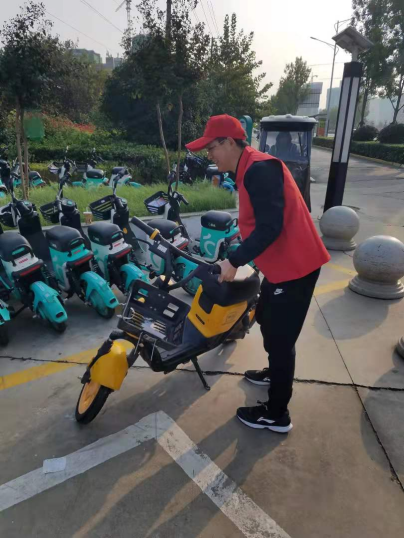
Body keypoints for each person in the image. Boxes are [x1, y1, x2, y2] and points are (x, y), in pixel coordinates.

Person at [186, 114, 330, 434]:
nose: (209, 155)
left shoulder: (259, 169)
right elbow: (262, 219)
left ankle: (277, 413)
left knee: (280, 339)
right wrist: (242, 241)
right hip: (282, 265)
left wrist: (234, 261)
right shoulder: (250, 166)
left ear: (228, 142)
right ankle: (274, 373)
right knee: (264, 316)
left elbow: (270, 226)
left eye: (211, 148)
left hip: (296, 266)